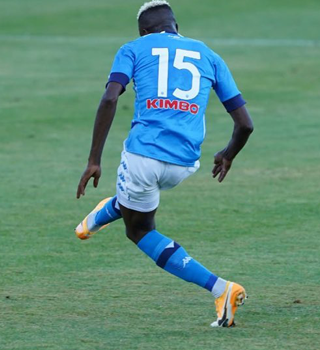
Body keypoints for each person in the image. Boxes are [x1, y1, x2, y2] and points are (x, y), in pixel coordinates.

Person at [75, 0, 254, 327]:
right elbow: (245, 124)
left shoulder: (133, 48)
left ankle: (221, 288)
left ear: (144, 31)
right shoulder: (208, 55)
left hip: (144, 158)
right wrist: (227, 154)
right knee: (136, 199)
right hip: (185, 164)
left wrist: (93, 160)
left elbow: (110, 98)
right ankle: (107, 210)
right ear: (175, 27)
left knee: (139, 229)